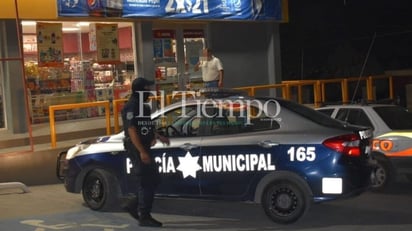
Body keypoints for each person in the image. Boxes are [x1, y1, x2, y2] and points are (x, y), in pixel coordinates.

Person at [121, 77, 169, 227]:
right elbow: (132, 130)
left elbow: (146, 126)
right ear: (140, 90)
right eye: (147, 88)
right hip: (137, 149)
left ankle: (133, 205)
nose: (149, 91)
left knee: (153, 180)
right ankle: (144, 216)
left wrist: (158, 136)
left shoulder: (144, 107)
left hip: (145, 147)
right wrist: (142, 151)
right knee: (146, 181)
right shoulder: (131, 107)